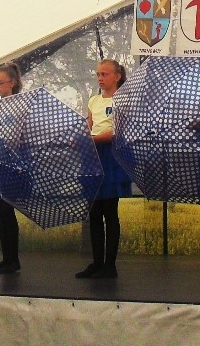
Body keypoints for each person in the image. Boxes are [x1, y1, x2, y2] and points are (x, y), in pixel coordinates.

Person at [76, 59, 132, 279]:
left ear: (117, 76)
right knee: (94, 212)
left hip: (110, 156)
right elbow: (89, 126)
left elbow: (117, 132)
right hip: (93, 156)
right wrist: (80, 137)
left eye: (105, 74)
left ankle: (110, 264)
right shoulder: (94, 100)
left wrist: (93, 139)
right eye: (98, 74)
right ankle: (97, 262)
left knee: (109, 211)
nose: (100, 78)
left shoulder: (123, 100)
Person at [0, 62, 22, 274]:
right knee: (0, 210)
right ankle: (6, 258)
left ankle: (13, 259)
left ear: (12, 82)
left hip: (13, 162)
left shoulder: (21, 104)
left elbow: (23, 134)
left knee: (8, 210)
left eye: (0, 83)